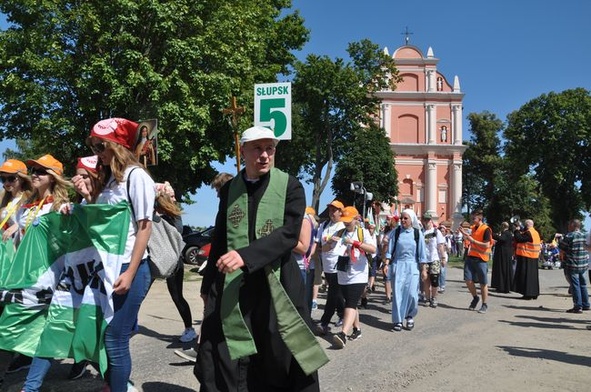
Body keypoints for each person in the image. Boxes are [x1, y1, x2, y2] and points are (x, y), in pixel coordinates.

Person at [195, 126, 327, 391]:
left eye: (270, 148)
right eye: (257, 148)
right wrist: (208, 285)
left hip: (277, 284)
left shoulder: (289, 185)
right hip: (236, 286)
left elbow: (289, 235)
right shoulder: (231, 188)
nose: (265, 155)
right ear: (242, 151)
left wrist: (244, 256)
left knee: (277, 354)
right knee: (228, 351)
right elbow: (220, 237)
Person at [78, 117, 155, 392]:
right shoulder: (109, 180)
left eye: (100, 145)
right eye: (93, 145)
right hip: (105, 267)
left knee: (116, 339)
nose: (96, 151)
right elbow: (101, 227)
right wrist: (87, 198)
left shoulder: (137, 177)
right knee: (104, 336)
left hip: (129, 268)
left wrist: (130, 273)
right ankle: (113, 385)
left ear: (118, 146)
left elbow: (145, 228)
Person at [17, 154, 74, 390]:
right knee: (22, 327)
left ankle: (30, 386)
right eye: (33, 171)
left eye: (41, 171)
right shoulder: (25, 206)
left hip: (52, 277)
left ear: (52, 177)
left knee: (48, 332)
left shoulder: (59, 207)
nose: (35, 175)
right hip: (25, 277)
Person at [154, 181, 197, 342]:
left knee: (177, 296)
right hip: (156, 259)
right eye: (170, 196)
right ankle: (130, 323)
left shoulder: (174, 214)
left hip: (172, 261)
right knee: (140, 294)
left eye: (173, 196)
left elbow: (175, 231)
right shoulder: (157, 212)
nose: (174, 199)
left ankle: (189, 329)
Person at [331, 207, 376, 348]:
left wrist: (355, 243)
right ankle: (357, 329)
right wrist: (328, 242)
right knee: (350, 302)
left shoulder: (363, 233)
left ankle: (343, 334)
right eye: (344, 221)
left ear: (356, 219)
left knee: (350, 304)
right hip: (343, 272)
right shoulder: (340, 232)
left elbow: (373, 249)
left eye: (348, 221)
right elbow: (326, 249)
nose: (346, 223)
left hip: (359, 274)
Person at [384, 209, 427, 331]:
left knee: (412, 293)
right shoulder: (396, 232)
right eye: (401, 218)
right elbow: (389, 250)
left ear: (411, 220)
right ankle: (398, 320)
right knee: (398, 293)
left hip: (412, 266)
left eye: (405, 218)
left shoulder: (417, 234)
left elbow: (422, 254)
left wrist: (423, 270)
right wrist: (386, 264)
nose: (402, 220)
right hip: (398, 265)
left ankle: (409, 316)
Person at [315, 199, 346, 335]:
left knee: (332, 292)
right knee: (336, 292)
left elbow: (331, 246)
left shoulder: (342, 226)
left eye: (334, 210)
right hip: (326, 263)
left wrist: (325, 245)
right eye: (330, 210)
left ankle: (324, 322)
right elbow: (318, 243)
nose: (331, 212)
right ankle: (343, 313)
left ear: (341, 212)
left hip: (338, 263)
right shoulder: (325, 225)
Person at [459, 209, 492, 313]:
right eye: (472, 218)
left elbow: (486, 244)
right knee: (468, 280)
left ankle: (484, 304)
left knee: (483, 283)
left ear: (480, 218)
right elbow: (469, 237)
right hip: (471, 257)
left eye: (474, 218)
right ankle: (475, 297)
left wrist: (473, 240)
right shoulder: (473, 228)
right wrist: (464, 233)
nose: (472, 220)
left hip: (481, 259)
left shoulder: (486, 229)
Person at [558, 219, 589, 313]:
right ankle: (586, 304)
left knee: (575, 285)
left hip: (573, 264)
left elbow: (562, 248)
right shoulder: (585, 235)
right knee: (583, 284)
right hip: (583, 264)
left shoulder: (570, 236)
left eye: (569, 225)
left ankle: (578, 306)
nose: (568, 226)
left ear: (573, 225)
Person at [0, 159, 32, 246]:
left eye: (11, 179)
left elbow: (37, 220)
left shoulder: (31, 198)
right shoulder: (2, 199)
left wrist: (18, 225)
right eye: (3, 179)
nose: (6, 183)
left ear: (22, 179)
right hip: (7, 249)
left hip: (24, 247)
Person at [293, 206, 318, 314]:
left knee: (298, 302)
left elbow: (304, 247)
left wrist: (282, 239)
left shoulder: (304, 220)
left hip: (300, 265)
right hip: (301, 264)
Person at [420, 212, 446, 308]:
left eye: (428, 220)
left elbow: (440, 245)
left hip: (434, 259)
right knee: (426, 279)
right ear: (422, 221)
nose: (426, 222)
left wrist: (443, 257)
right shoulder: (421, 232)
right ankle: (427, 298)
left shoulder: (436, 231)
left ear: (431, 220)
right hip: (424, 259)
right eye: (425, 220)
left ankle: (434, 298)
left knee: (434, 280)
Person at [512, 219, 541, 300]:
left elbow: (519, 239)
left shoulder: (529, 233)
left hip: (527, 256)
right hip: (533, 256)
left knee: (526, 277)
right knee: (533, 277)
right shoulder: (535, 232)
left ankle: (527, 294)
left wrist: (516, 231)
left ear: (527, 225)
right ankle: (533, 293)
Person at [490, 222, 514, 294]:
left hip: (503, 254)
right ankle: (500, 285)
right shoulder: (507, 233)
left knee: (502, 269)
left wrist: (493, 235)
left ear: (503, 226)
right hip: (504, 253)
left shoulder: (506, 233)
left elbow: (502, 239)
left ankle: (502, 286)